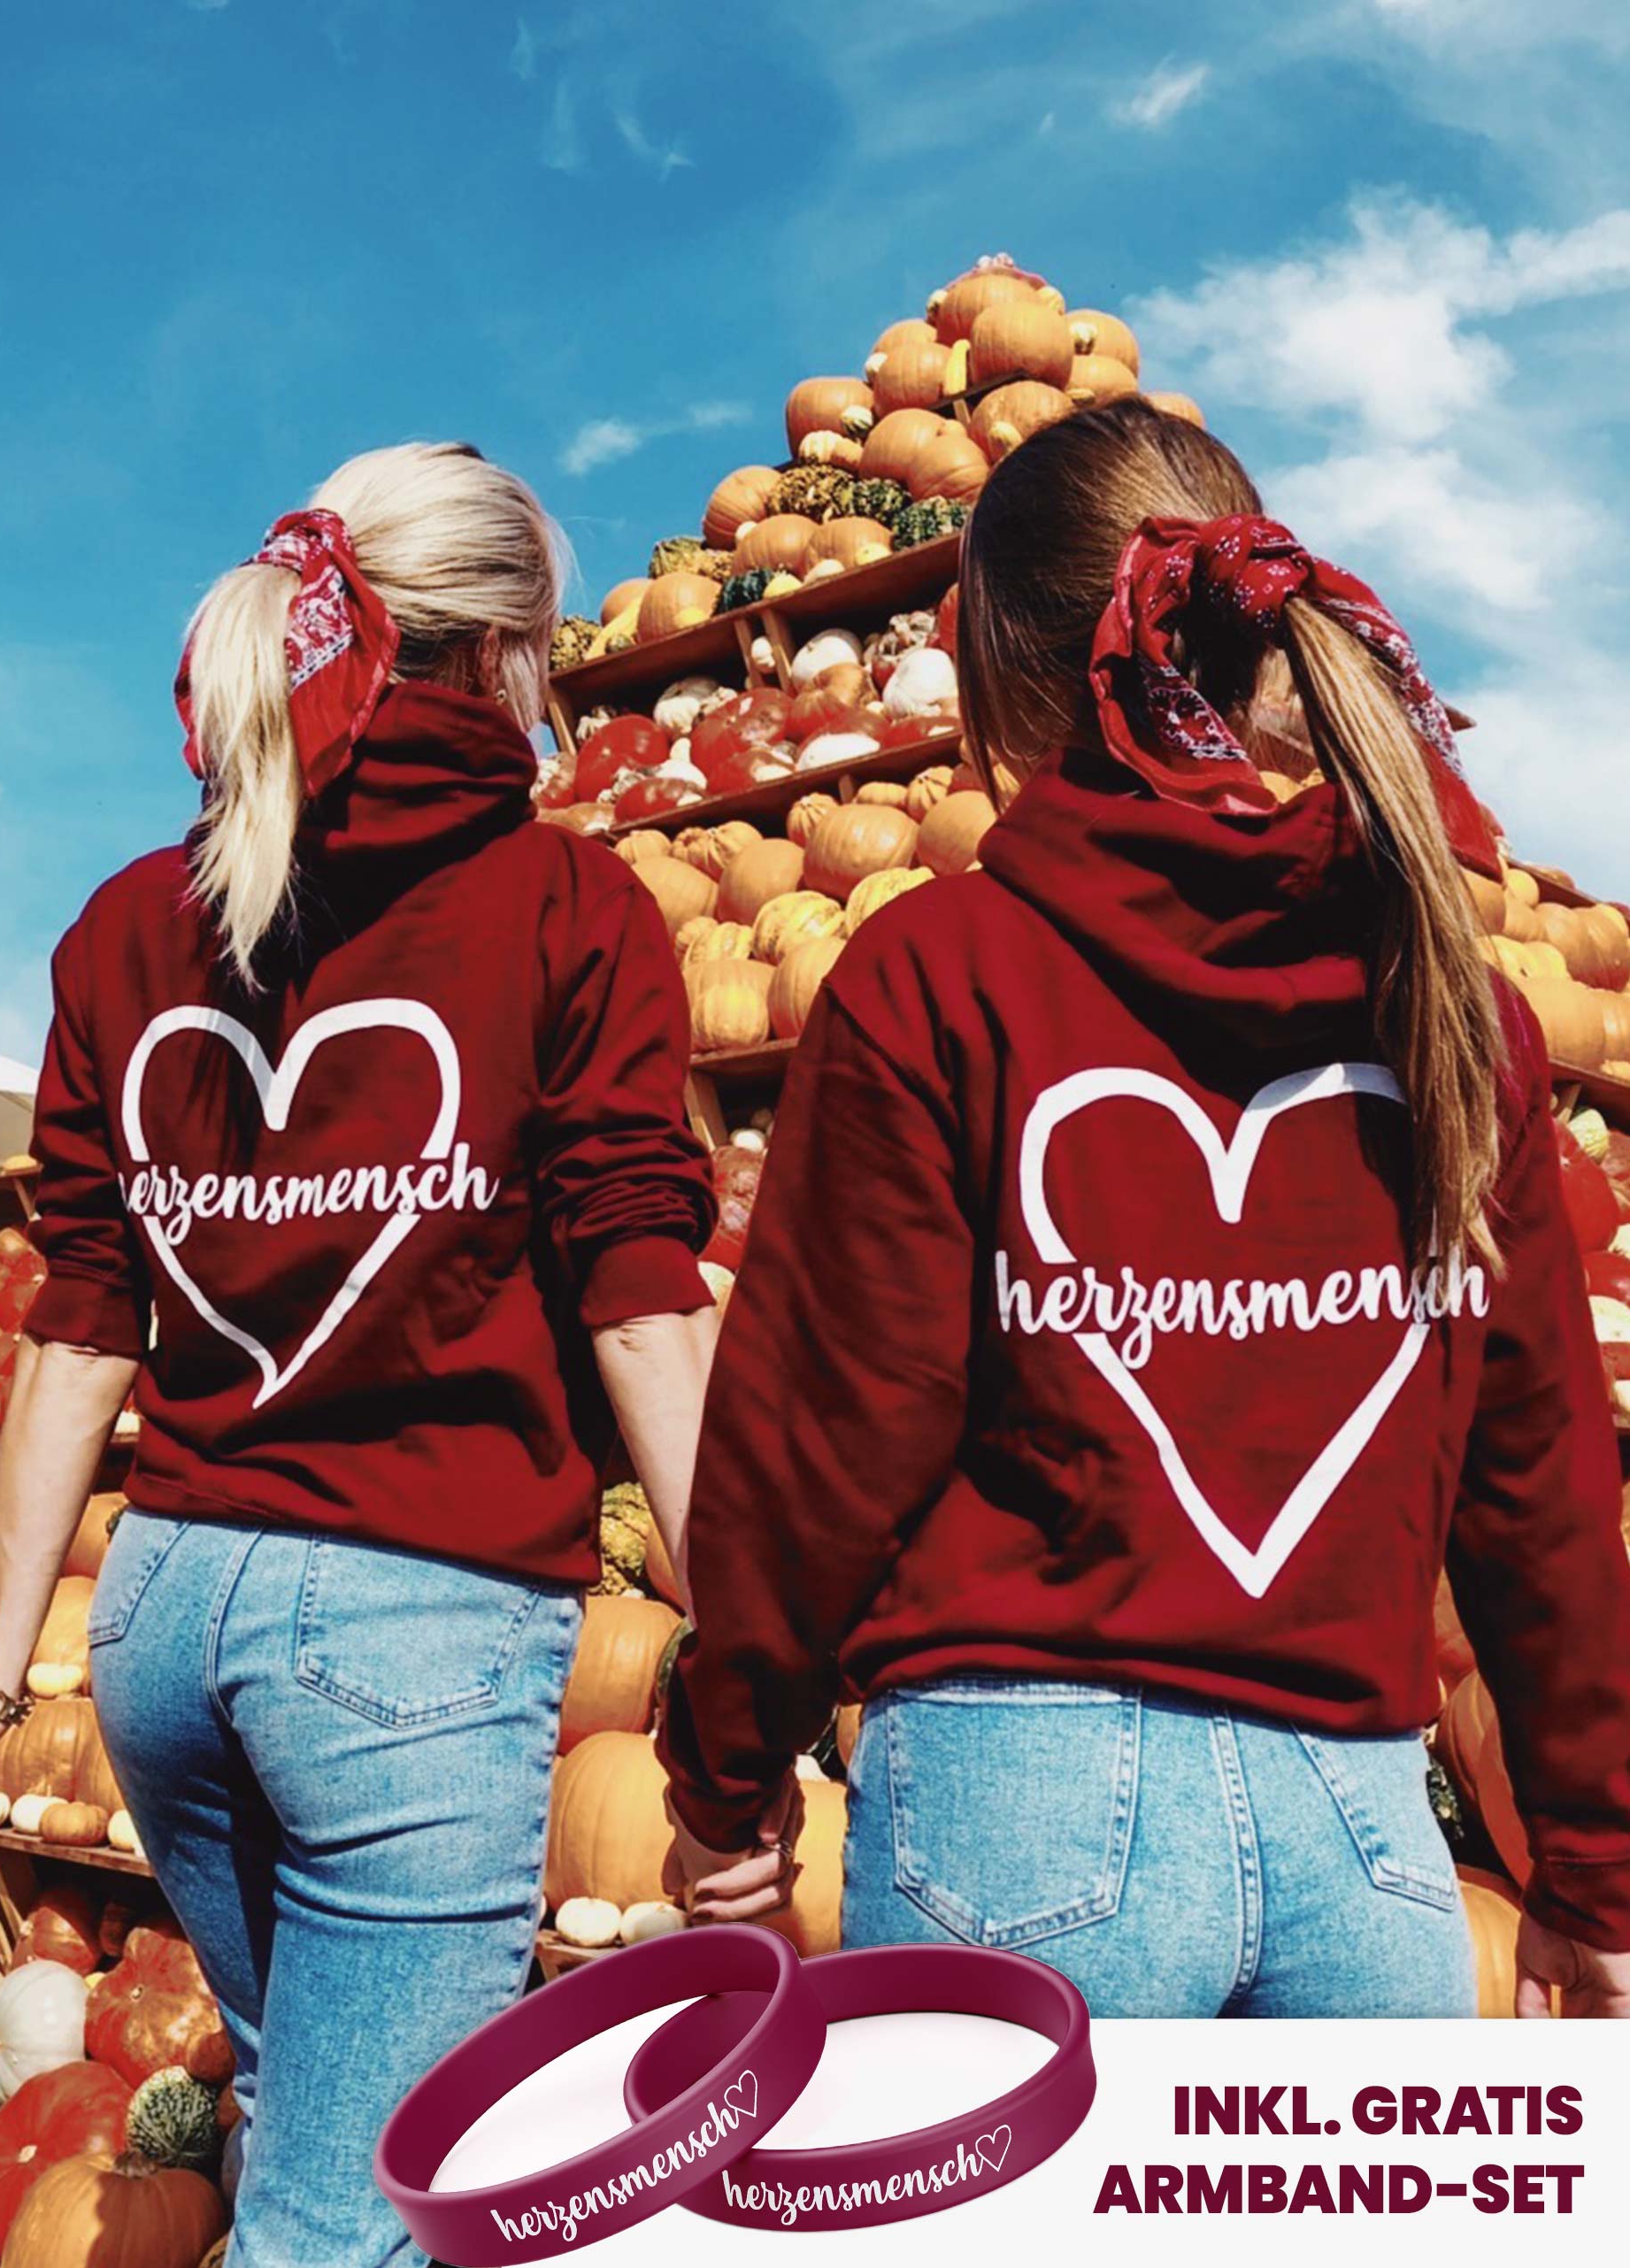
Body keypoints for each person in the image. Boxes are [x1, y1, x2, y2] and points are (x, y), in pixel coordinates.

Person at [659, 399, 1630, 2020]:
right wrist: (1593, 1868)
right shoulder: (1456, 1015)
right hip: (1369, 1846)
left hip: (1013, 1823)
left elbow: (823, 1439)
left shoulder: (938, 977)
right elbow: (1541, 1484)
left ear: (1003, 672)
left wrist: (727, 1771)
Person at [0, 442, 720, 2266]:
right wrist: (746, 1667)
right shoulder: (569, 907)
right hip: (412, 1641)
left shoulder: (129, 926)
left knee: (300, 2105)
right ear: (509, 651)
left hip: (161, 1619)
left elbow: (82, 1317)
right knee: (359, 2218)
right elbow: (642, 1303)